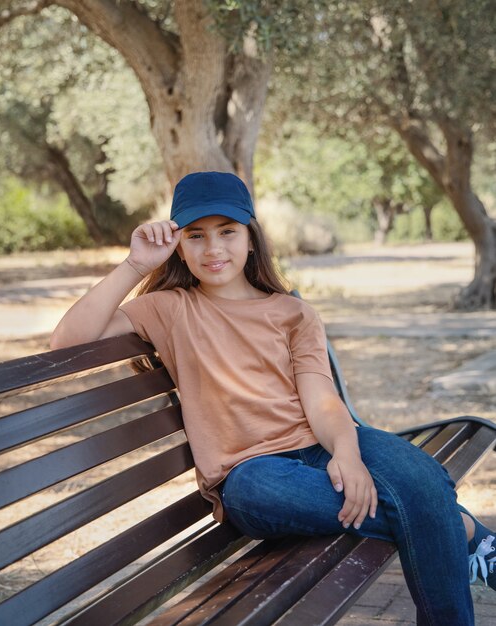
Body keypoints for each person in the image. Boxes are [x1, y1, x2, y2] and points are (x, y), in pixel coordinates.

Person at [51, 171, 495, 625]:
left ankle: (441, 531)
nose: (213, 249)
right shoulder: (170, 307)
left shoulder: (293, 313)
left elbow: (322, 399)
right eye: (196, 236)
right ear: (178, 244)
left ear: (250, 238)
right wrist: (134, 265)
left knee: (423, 476)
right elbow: (67, 342)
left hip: (320, 446)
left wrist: (347, 453)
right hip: (251, 472)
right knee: (393, 502)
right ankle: (459, 528)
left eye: (227, 232)